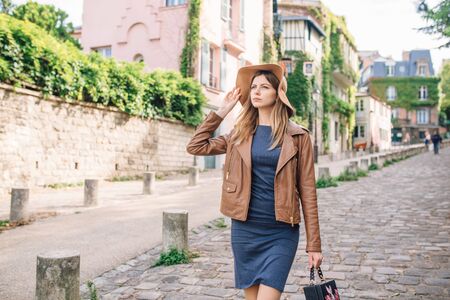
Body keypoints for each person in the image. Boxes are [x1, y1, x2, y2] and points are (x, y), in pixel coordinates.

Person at [186, 64, 323, 300]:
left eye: (264, 87)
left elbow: (308, 191)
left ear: (278, 93)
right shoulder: (239, 135)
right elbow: (196, 146)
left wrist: (314, 244)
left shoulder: (299, 137)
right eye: (253, 87)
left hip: (281, 232)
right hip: (245, 231)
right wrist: (222, 111)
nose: (256, 92)